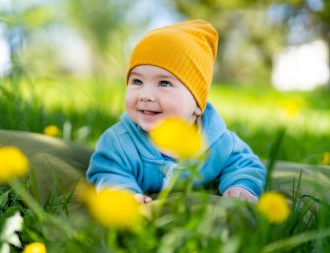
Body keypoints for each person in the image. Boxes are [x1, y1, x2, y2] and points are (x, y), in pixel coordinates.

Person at [86, 20, 266, 204]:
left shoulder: (218, 141)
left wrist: (241, 186)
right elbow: (108, 170)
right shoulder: (119, 142)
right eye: (137, 82)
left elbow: (244, 164)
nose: (146, 95)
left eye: (164, 83)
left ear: (197, 103)